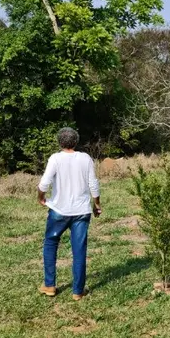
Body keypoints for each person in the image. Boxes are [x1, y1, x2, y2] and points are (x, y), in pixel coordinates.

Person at [36, 127, 101, 301]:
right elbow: (93, 184)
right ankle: (77, 291)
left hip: (59, 210)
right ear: (76, 141)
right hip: (81, 211)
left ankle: (49, 285)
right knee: (79, 249)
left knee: (51, 243)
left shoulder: (55, 158)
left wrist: (41, 197)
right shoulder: (85, 158)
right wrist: (96, 205)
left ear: (59, 142)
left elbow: (44, 184)